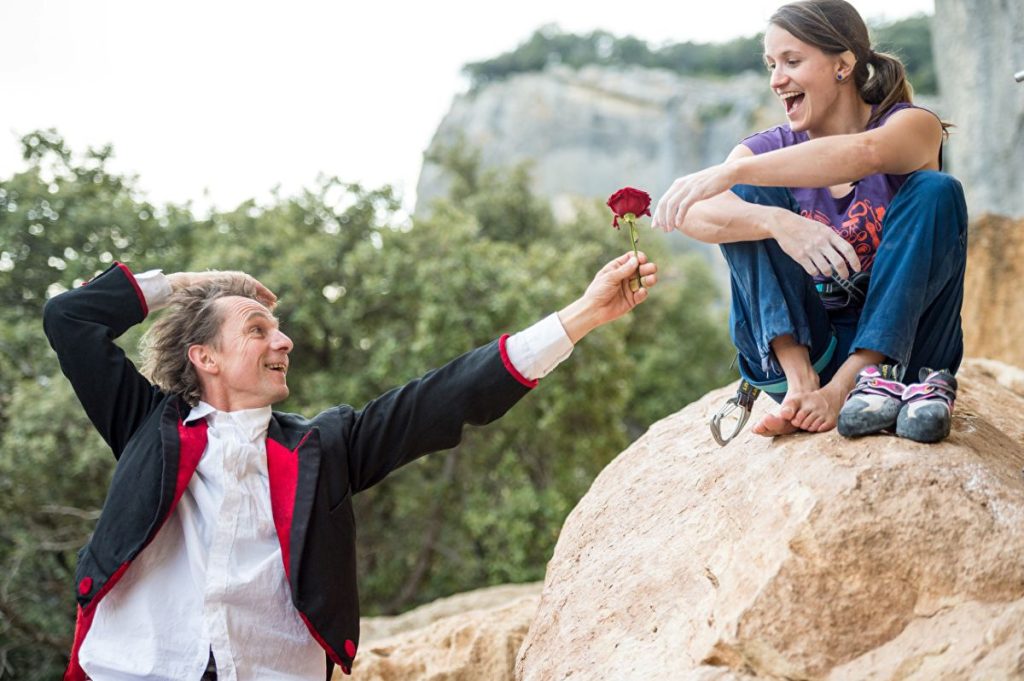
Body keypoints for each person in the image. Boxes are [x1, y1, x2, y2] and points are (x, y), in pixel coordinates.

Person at [43, 251, 657, 680]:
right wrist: (199, 282)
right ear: (203, 355)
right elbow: (69, 318)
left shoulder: (323, 446)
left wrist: (584, 314)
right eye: (259, 329)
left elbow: (447, 396)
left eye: (279, 330)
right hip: (135, 666)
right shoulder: (147, 427)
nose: (283, 341)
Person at [652, 0, 966, 443]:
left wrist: (734, 170)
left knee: (938, 191)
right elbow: (695, 213)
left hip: (907, 354)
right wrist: (777, 220)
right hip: (816, 349)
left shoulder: (914, 126)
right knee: (745, 203)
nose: (777, 80)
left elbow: (865, 153)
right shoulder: (768, 149)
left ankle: (844, 390)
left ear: (842, 65)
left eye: (792, 61)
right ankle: (801, 387)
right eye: (770, 64)